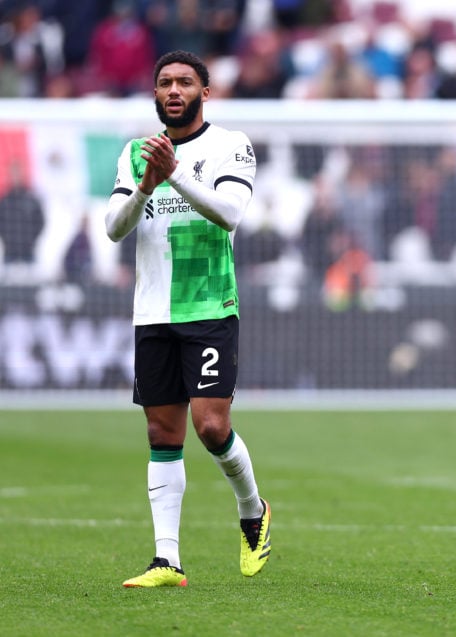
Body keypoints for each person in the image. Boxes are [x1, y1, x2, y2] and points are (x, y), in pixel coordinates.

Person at [105, 50, 271, 588]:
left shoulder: (231, 145)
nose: (173, 90)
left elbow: (229, 215)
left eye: (184, 82)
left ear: (205, 91)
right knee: (162, 429)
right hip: (152, 310)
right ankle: (166, 560)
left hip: (207, 305)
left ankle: (253, 509)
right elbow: (113, 228)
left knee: (211, 425)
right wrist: (149, 183)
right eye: (164, 83)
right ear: (155, 94)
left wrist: (172, 174)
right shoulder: (136, 153)